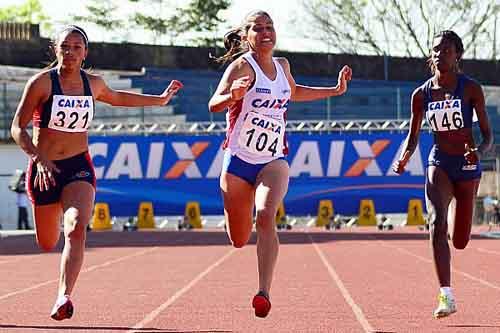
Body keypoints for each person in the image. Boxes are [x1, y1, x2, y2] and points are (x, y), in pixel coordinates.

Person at [10, 25, 183, 321]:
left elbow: (118, 98)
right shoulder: (41, 84)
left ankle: (64, 296)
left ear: (85, 52)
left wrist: (159, 99)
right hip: (45, 169)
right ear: (56, 49)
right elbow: (17, 127)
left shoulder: (94, 83)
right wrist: (37, 157)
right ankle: (56, 248)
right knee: (47, 242)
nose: (71, 52)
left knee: (77, 227)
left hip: (78, 166)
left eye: (77, 47)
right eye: (65, 46)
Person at [208, 11, 352, 318]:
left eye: (269, 27)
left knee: (265, 214)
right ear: (246, 36)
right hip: (238, 162)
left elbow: (294, 92)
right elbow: (213, 104)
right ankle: (236, 217)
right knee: (238, 238)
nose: (265, 32)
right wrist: (232, 96)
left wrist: (334, 90)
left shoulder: (283, 66)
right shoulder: (240, 67)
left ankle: (263, 291)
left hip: (273, 159)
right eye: (257, 28)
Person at [392, 30, 493, 319]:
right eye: (436, 49)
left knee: (459, 239)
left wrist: (480, 153)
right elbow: (413, 137)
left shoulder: (471, 88)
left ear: (457, 54)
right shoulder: (421, 94)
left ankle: (456, 219)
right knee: (435, 223)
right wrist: (404, 157)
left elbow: (487, 136)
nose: (440, 54)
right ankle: (446, 294)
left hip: (468, 165)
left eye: (446, 50)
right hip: (440, 163)